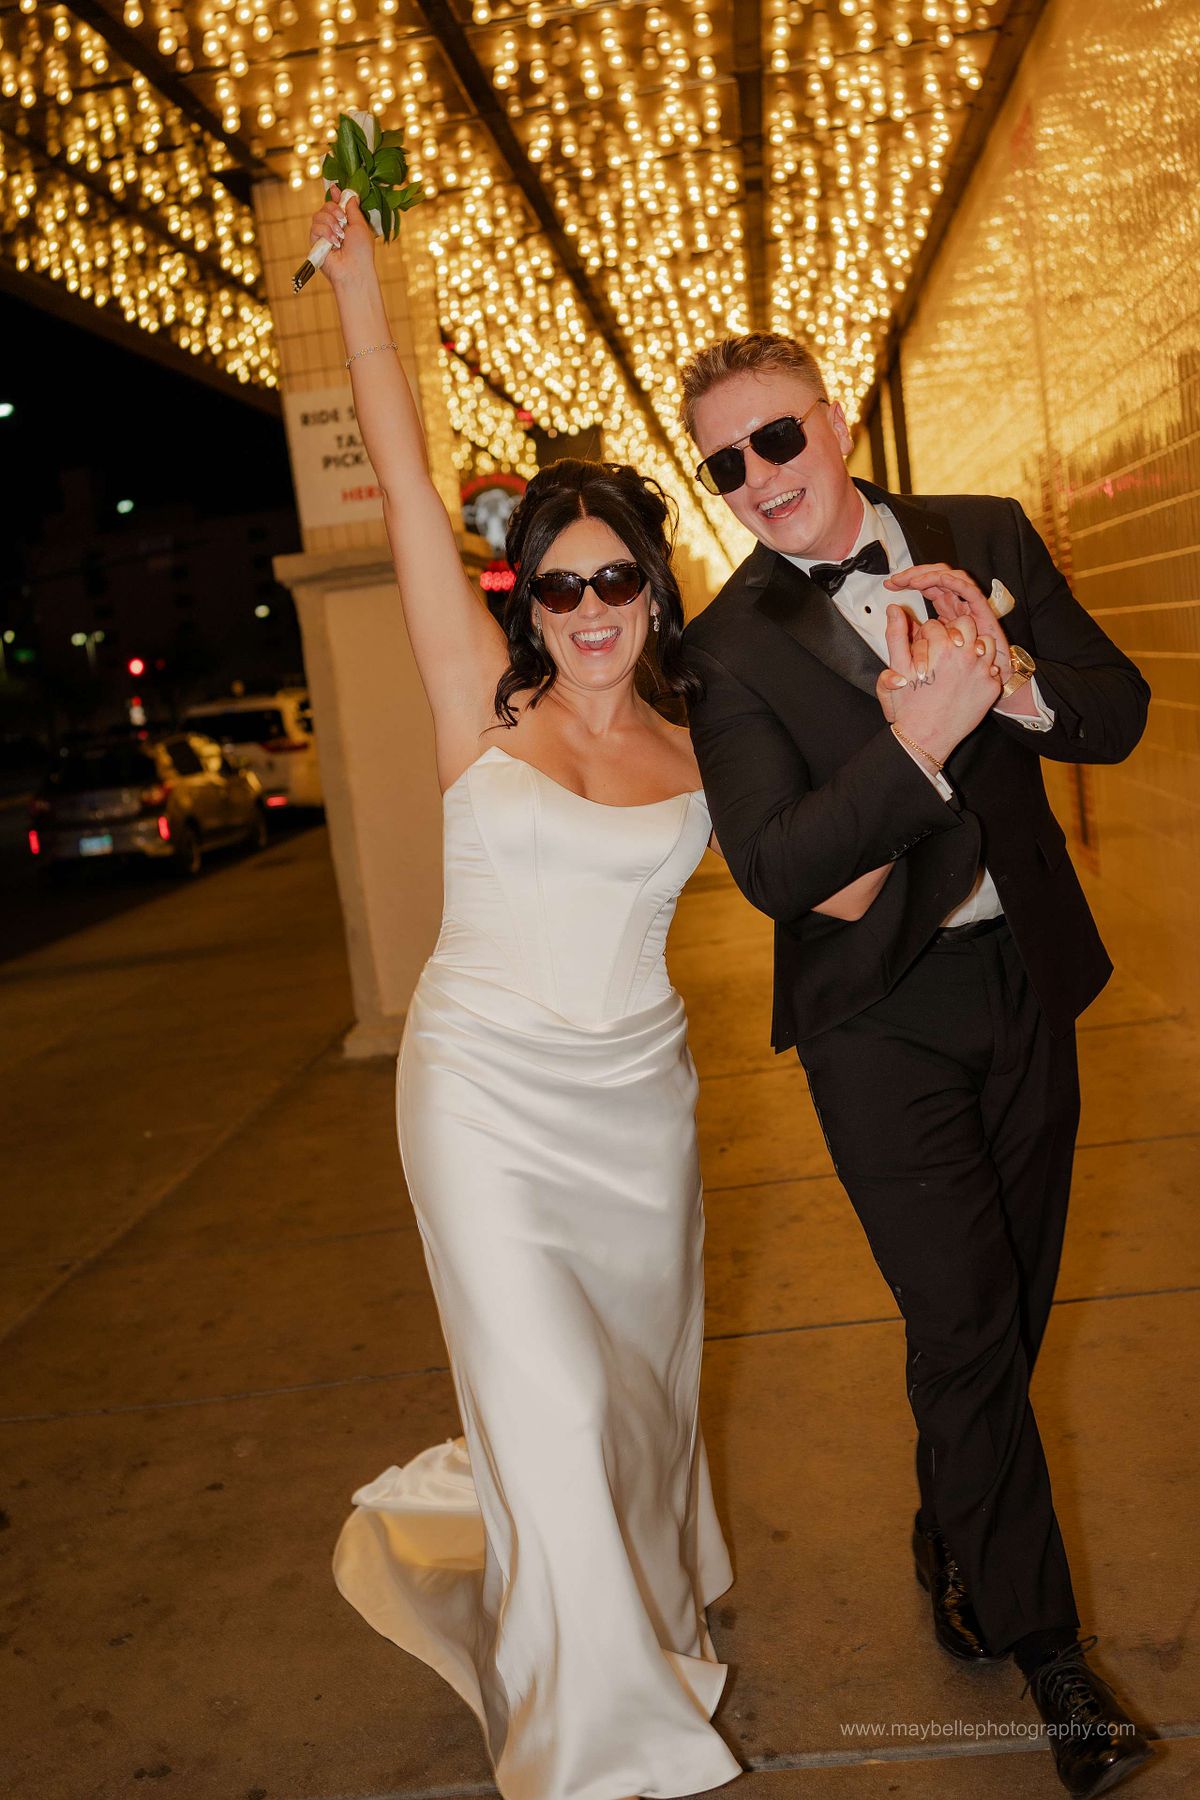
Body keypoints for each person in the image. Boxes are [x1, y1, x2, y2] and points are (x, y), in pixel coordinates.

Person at [307, 192, 899, 1800]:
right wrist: (368, 300)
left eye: (616, 584)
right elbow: (411, 496)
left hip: (636, 1112)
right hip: (480, 1098)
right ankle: (600, 1738)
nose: (587, 615)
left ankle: (615, 1595)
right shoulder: (472, 710)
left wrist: (917, 740)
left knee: (630, 1397)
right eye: (558, 588)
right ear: (527, 599)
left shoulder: (709, 753)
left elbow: (837, 884)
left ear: (653, 587)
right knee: (557, 1403)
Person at [677, 333, 1153, 1800]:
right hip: (875, 1019)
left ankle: (958, 1506)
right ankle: (1049, 1654)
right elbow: (772, 863)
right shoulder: (730, 645)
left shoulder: (982, 534)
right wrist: (920, 747)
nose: (759, 479)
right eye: (725, 464)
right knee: (960, 1324)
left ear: (836, 421)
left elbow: (1117, 713)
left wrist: (1003, 675)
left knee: (1004, 1304)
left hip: (1028, 978)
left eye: (776, 439)